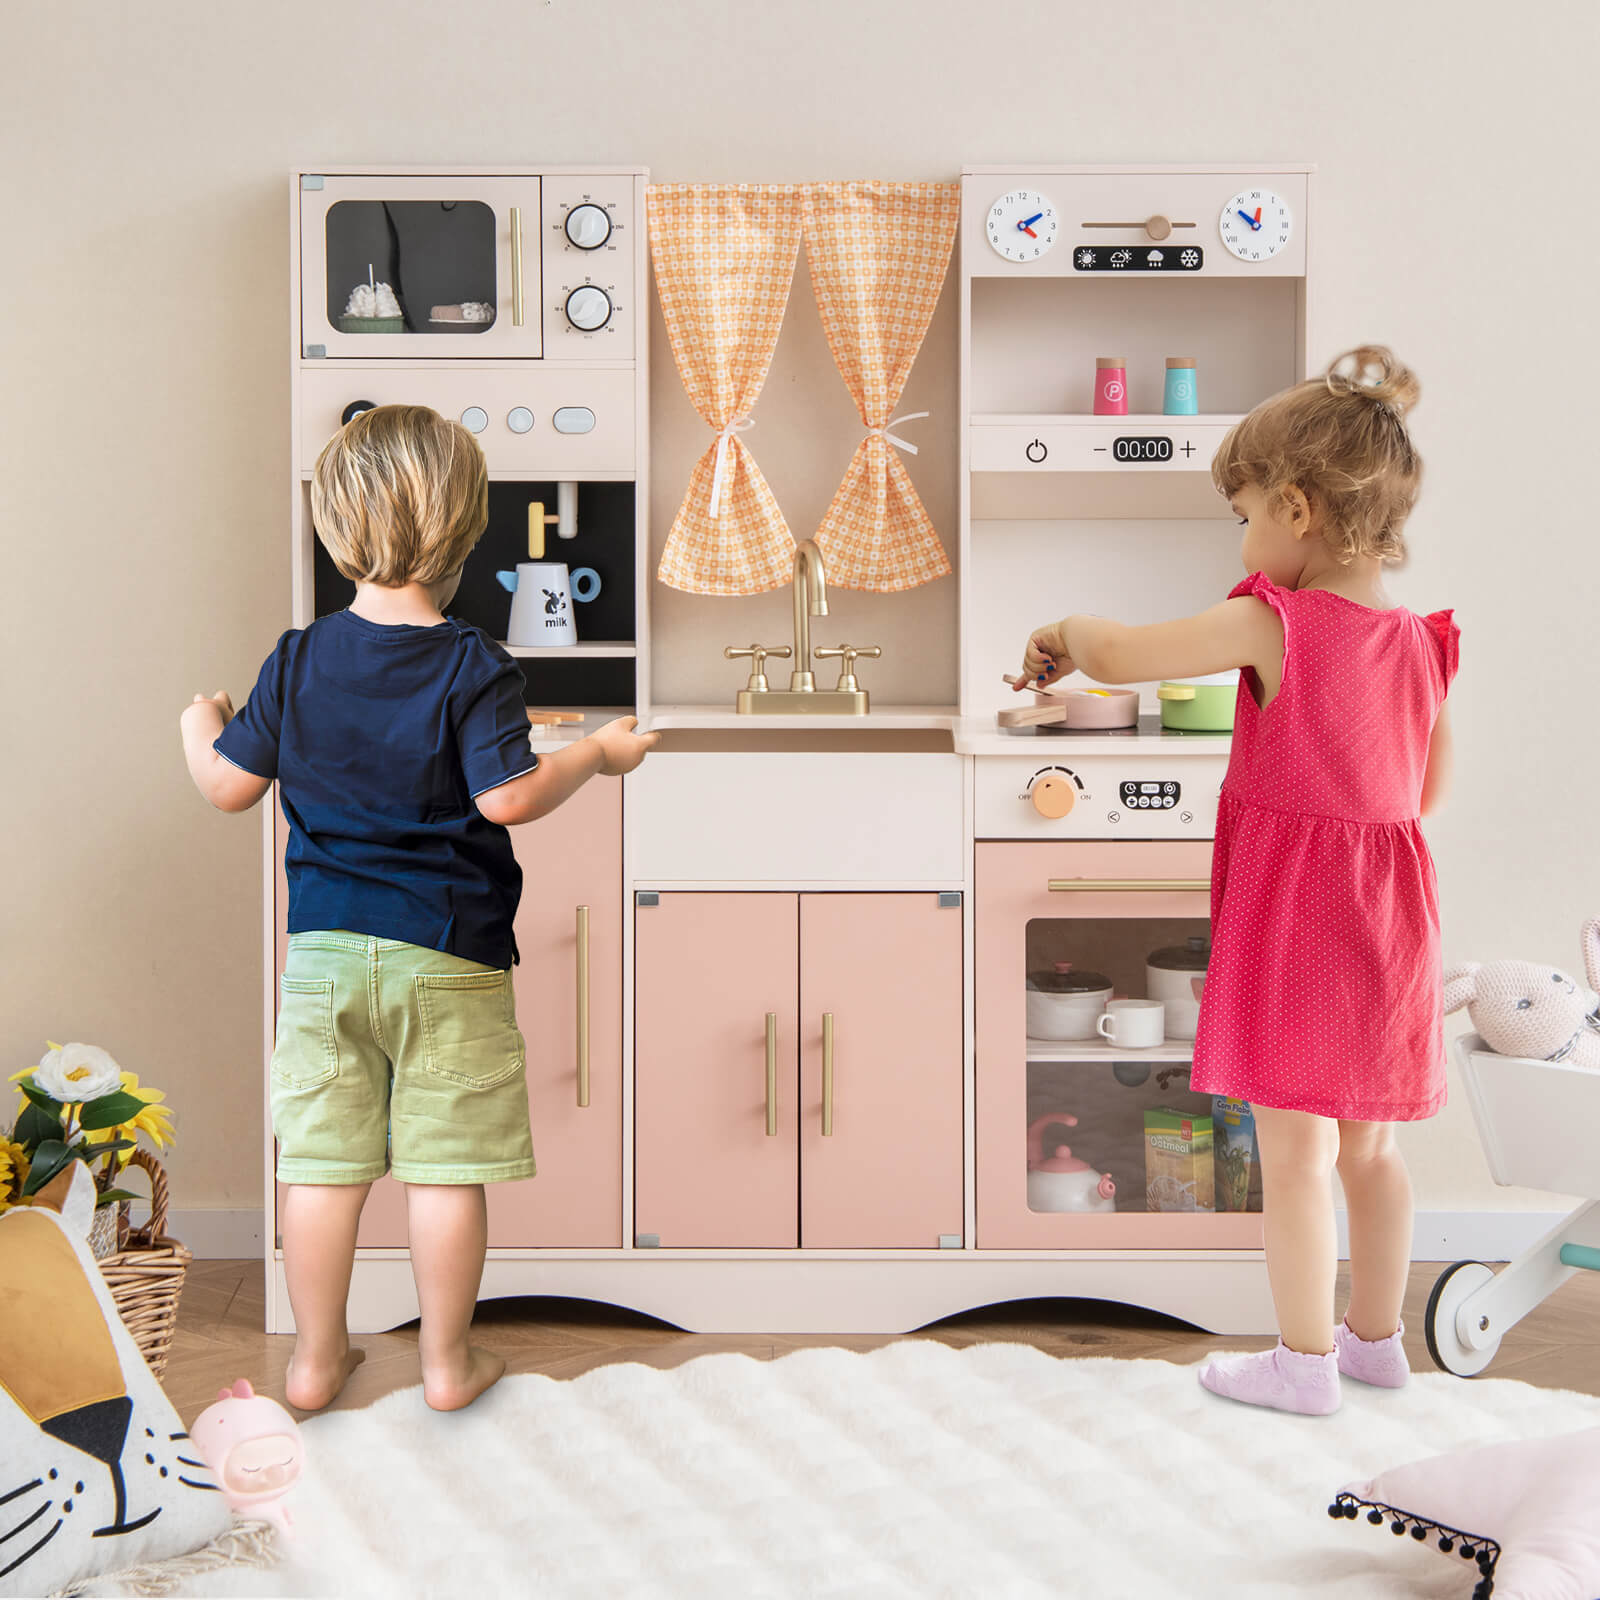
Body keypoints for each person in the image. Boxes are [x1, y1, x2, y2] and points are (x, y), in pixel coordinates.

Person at [179, 404, 658, 1413]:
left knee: (322, 1163)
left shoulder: (298, 658)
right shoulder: (472, 664)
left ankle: (313, 1363)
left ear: (337, 527)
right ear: (466, 527)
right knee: (443, 1168)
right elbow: (509, 798)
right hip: (446, 952)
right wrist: (597, 755)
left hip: (321, 958)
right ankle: (446, 1365)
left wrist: (200, 723)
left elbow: (225, 786)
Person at [1015, 348, 1458, 1415]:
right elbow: (1425, 796)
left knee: (1293, 1150)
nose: (1245, 536)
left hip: (1301, 919)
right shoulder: (1422, 643)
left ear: (1298, 510)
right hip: (1393, 918)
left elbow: (1124, 654)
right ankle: (1375, 1342)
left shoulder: (1277, 622)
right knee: (1372, 1148)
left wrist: (1062, 633)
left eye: (1246, 512)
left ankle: (1301, 1363)